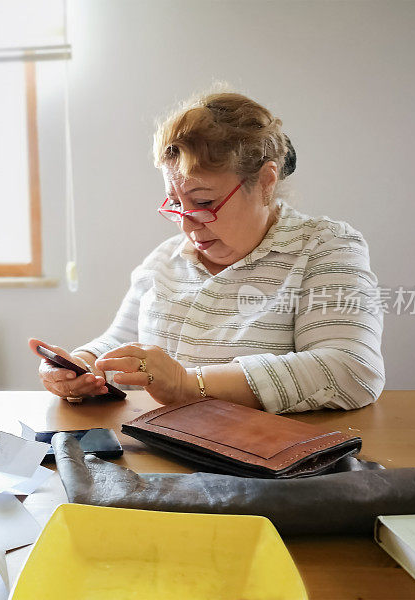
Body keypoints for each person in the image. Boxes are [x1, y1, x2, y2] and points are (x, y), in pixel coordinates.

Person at [31, 91, 384, 414]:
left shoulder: (325, 247)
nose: (188, 224)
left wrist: (189, 385)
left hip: (265, 473)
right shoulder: (166, 260)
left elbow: (351, 369)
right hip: (163, 455)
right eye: (175, 203)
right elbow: (121, 342)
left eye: (203, 202)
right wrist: (82, 367)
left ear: (265, 182)